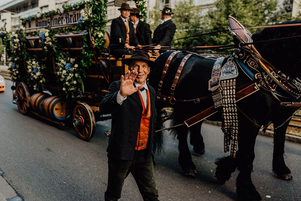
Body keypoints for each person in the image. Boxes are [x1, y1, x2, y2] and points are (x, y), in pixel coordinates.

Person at [100, 50, 159, 201]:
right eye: (135, 66)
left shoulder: (151, 91)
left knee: (151, 195)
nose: (140, 70)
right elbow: (104, 107)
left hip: (144, 155)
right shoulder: (118, 86)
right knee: (113, 195)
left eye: (144, 66)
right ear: (129, 69)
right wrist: (121, 95)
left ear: (149, 69)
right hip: (121, 153)